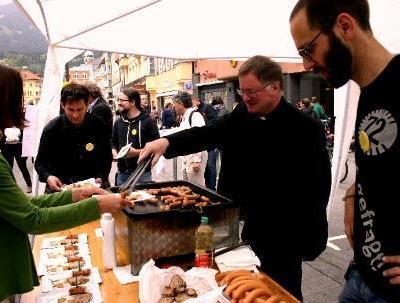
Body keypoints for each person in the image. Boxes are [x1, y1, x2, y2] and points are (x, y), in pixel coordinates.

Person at [139, 55, 331, 300]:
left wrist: (310, 238)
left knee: (283, 291)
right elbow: (208, 133)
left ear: (276, 87)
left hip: (285, 232)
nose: (245, 97)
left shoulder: (306, 129)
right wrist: (166, 142)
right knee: (246, 286)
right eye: (242, 91)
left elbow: (318, 189)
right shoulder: (243, 113)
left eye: (251, 91)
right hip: (248, 222)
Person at [289, 1, 400, 302]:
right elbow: (395, 162)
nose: (307, 65)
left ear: (345, 26)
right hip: (361, 277)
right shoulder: (368, 92)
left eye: (308, 49)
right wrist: (354, 191)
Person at [0, 58, 130, 303]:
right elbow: (32, 218)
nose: (20, 106)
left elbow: (23, 205)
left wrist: (77, 194)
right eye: (16, 97)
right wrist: (97, 204)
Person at [35, 83, 113, 193]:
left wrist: (101, 176)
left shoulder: (98, 125)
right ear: (63, 105)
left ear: (87, 104)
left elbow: (106, 157)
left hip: (92, 189)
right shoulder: (51, 129)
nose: (75, 115)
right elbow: (40, 163)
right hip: (61, 191)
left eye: (79, 109)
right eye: (70, 110)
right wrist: (48, 177)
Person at [111, 88, 160, 186]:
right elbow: (113, 141)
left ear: (132, 102)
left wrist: (136, 152)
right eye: (118, 100)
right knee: (122, 200)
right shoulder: (118, 122)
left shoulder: (148, 122)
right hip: (122, 174)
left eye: (122, 100)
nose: (119, 103)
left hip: (142, 173)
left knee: (142, 200)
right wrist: (114, 152)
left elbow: (157, 146)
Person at [172, 91, 208, 186]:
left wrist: (197, 160)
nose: (173, 107)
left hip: (194, 155)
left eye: (174, 104)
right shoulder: (184, 118)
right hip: (187, 156)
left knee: (196, 186)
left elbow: (200, 138)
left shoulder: (195, 116)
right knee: (188, 184)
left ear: (181, 104)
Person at [191, 97, 219, 190]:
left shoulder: (207, 107)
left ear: (197, 101)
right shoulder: (193, 111)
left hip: (211, 142)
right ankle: (207, 187)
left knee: (211, 166)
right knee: (206, 166)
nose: (192, 105)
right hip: (203, 143)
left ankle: (212, 188)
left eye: (193, 102)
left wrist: (202, 123)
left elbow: (214, 122)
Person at [0, 126, 32, 193]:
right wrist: (5, 141)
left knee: (22, 167)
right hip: (7, 148)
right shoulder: (4, 125)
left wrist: (26, 150)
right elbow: (1, 138)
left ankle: (29, 184)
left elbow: (26, 137)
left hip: (18, 147)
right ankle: (11, 186)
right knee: (9, 168)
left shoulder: (19, 125)